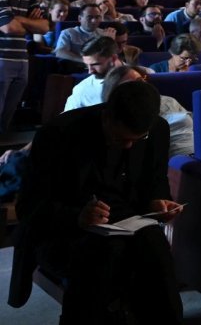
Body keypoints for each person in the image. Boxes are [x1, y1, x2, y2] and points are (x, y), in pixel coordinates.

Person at [8, 81, 184, 323]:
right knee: (103, 258)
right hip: (65, 228)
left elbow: (155, 180)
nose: (129, 146)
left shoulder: (156, 130)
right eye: (120, 139)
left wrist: (157, 201)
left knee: (157, 251)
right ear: (107, 116)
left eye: (137, 139)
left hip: (128, 221)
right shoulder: (58, 134)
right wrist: (77, 217)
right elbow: (28, 207)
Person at [1, 0, 49, 132]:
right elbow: (9, 27)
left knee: (5, 123)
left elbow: (45, 27)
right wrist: (27, 22)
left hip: (21, 60)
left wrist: (20, 19)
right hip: (2, 60)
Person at [103, 64, 194, 159]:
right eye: (132, 85)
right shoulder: (118, 119)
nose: (142, 85)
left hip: (194, 152)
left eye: (141, 80)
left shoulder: (169, 100)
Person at [63, 36, 125, 110]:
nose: (90, 71)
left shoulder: (140, 75)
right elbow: (67, 118)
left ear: (113, 58)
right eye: (87, 65)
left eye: (95, 64)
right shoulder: (82, 89)